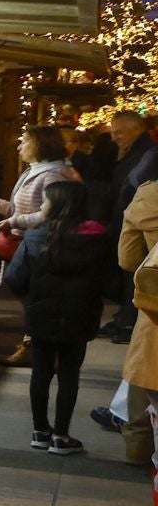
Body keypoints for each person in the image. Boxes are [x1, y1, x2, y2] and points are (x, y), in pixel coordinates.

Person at [1, 181, 110, 454]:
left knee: (41, 372)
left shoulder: (35, 236)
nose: (41, 207)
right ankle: (61, 437)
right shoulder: (98, 239)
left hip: (40, 315)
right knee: (70, 375)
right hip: (80, 316)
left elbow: (14, 278)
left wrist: (33, 297)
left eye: (45, 202)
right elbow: (110, 283)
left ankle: (40, 432)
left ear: (58, 204)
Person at [0, 125, 79, 365]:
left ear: (40, 145)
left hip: (40, 248)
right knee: (30, 298)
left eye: (24, 141)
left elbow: (50, 215)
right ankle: (36, 346)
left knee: (34, 299)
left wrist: (14, 221)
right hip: (27, 244)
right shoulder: (35, 171)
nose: (19, 146)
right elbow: (25, 206)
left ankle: (38, 349)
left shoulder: (52, 175)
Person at [97, 110, 157, 342]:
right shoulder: (136, 152)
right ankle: (126, 317)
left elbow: (137, 189)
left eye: (119, 132)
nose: (114, 138)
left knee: (134, 274)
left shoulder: (148, 154)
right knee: (127, 274)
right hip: (128, 222)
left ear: (137, 129)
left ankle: (130, 321)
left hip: (137, 226)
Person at [115, 180, 158, 459]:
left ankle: (138, 446)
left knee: (148, 374)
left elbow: (128, 258)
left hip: (155, 310)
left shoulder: (150, 193)